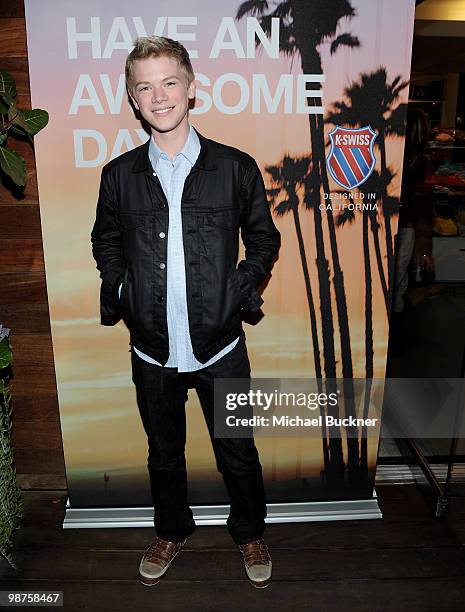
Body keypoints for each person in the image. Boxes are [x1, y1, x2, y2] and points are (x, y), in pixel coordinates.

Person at [91, 35, 280, 589]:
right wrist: (121, 287)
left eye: (169, 81)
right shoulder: (118, 175)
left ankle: (249, 533)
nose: (159, 95)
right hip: (151, 348)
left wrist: (236, 286)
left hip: (222, 345)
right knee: (164, 454)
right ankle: (171, 530)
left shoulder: (235, 167)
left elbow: (263, 240)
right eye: (144, 86)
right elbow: (105, 240)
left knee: (238, 451)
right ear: (132, 98)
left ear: (192, 89)